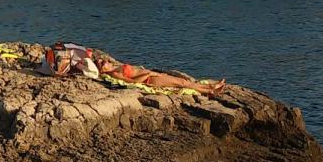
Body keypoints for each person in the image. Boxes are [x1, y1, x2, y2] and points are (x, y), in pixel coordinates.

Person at [95, 57, 226, 95]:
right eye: (102, 63)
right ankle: (211, 91)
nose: (104, 61)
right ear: (102, 70)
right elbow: (132, 82)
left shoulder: (115, 67)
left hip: (152, 76)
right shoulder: (114, 73)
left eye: (102, 60)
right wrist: (149, 73)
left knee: (182, 81)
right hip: (151, 79)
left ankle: (211, 86)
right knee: (183, 84)